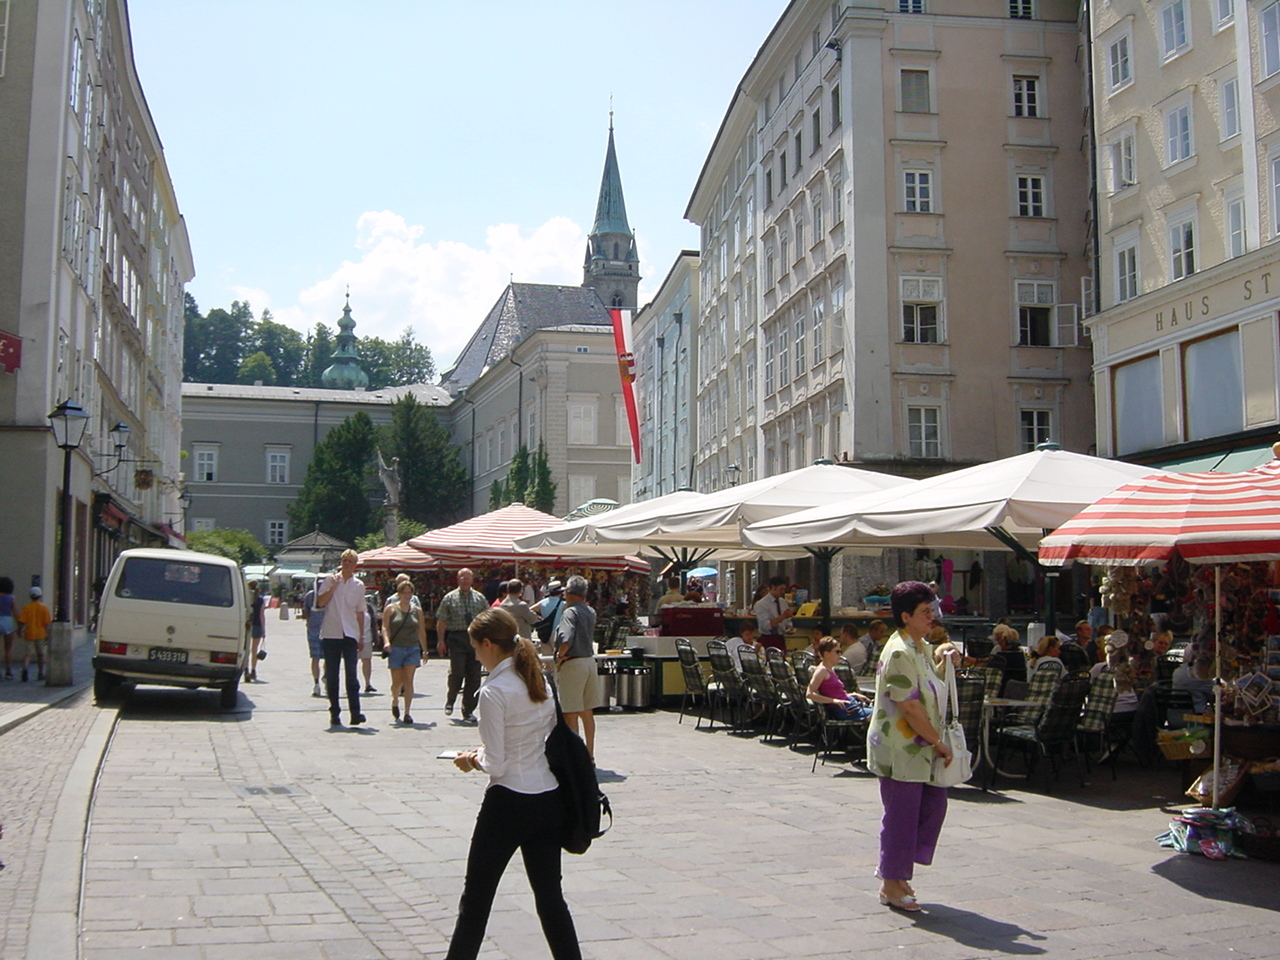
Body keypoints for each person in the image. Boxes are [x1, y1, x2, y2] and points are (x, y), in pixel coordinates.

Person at [445, 608, 582, 960]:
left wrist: (471, 759)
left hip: (508, 802)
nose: (475, 653)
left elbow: (498, 763)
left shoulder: (494, 691)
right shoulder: (538, 679)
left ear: (489, 645)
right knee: (551, 900)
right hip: (548, 797)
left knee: (475, 902)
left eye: (476, 647)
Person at [866, 580, 958, 913]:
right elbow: (909, 704)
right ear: (906, 616)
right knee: (903, 816)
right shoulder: (900, 651)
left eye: (932, 610)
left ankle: (900, 871)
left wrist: (942, 653)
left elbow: (928, 681)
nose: (931, 616)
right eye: (924, 612)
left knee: (933, 805)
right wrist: (938, 742)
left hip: (920, 747)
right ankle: (892, 880)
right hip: (901, 747)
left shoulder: (917, 646)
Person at [316, 549, 367, 727]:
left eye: (350, 562)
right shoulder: (330, 579)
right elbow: (320, 602)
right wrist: (333, 586)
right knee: (332, 674)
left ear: (355, 566)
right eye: (344, 561)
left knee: (352, 675)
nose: (347, 564)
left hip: (350, 633)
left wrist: (361, 636)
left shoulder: (358, 585)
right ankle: (334, 712)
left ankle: (355, 712)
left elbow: (360, 612)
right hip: (331, 633)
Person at [553, 576, 598, 760]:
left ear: (569, 593)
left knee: (570, 713)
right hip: (589, 662)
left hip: (574, 663)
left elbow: (566, 638)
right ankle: (589, 754)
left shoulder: (570, 612)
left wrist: (560, 657)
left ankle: (575, 756)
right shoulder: (590, 611)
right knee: (587, 712)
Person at [436, 568, 488, 721]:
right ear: (458, 580)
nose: (465, 581)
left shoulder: (479, 598)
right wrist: (440, 641)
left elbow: (487, 618)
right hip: (457, 638)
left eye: (468, 578)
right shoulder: (449, 598)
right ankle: (451, 699)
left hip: (475, 640)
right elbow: (442, 621)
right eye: (462, 578)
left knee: (474, 676)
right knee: (457, 672)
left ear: (472, 580)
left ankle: (468, 710)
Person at [383, 580, 429, 724]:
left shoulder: (417, 610)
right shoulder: (391, 609)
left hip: (412, 648)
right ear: (399, 593)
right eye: (404, 592)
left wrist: (425, 650)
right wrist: (386, 642)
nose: (407, 595)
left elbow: (421, 630)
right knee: (397, 683)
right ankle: (395, 700)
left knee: (408, 680)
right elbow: (385, 627)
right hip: (396, 648)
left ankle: (407, 712)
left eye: (410, 593)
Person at [807, 638, 872, 720]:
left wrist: (852, 694)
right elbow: (809, 694)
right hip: (844, 710)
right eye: (837, 652)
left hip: (849, 704)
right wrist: (833, 701)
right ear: (826, 654)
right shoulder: (822, 671)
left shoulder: (830, 669)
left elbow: (835, 693)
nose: (840, 655)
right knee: (879, 715)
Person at [16, 586, 51, 682]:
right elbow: (46, 623)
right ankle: (40, 673)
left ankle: (25, 669)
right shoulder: (44, 608)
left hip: (29, 633)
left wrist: (19, 630)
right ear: (40, 596)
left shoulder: (26, 608)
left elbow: (22, 621)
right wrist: (48, 634)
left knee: (28, 654)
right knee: (41, 654)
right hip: (40, 634)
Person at [1172, 648, 1215, 714]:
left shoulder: (1176, 671)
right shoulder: (1200, 673)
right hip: (1195, 718)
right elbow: (1215, 695)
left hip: (1173, 715)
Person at [986, 624, 1027, 693]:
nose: (998, 643)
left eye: (1000, 640)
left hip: (1001, 687)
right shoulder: (1020, 653)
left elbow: (991, 668)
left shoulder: (1000, 655)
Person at [753, 576, 794, 645]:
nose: (783, 592)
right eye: (781, 589)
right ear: (773, 587)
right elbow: (765, 626)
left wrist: (789, 627)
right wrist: (783, 616)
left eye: (784, 589)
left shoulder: (782, 602)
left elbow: (788, 620)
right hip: (768, 639)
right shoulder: (761, 604)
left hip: (781, 638)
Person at [302, 585, 327, 697]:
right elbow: (305, 611)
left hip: (327, 629)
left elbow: (305, 611)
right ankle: (317, 683)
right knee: (316, 658)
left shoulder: (329, 593)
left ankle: (325, 677)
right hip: (316, 630)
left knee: (327, 657)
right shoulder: (311, 595)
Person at [360, 592, 380, 694]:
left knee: (367, 661)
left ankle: (368, 683)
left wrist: (376, 638)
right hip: (352, 638)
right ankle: (352, 682)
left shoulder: (368, 607)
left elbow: (373, 623)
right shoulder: (350, 606)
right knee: (351, 662)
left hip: (367, 638)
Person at [247, 580, 266, 682]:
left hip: (247, 624)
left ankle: (245, 670)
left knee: (245, 649)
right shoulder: (260, 599)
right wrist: (263, 630)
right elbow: (261, 615)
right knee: (254, 650)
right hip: (257, 625)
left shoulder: (247, 599)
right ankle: (253, 670)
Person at [0, 577, 15, 680]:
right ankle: (8, 671)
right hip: (8, 621)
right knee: (8, 648)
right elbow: (16, 612)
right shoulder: (11, 598)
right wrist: (20, 625)